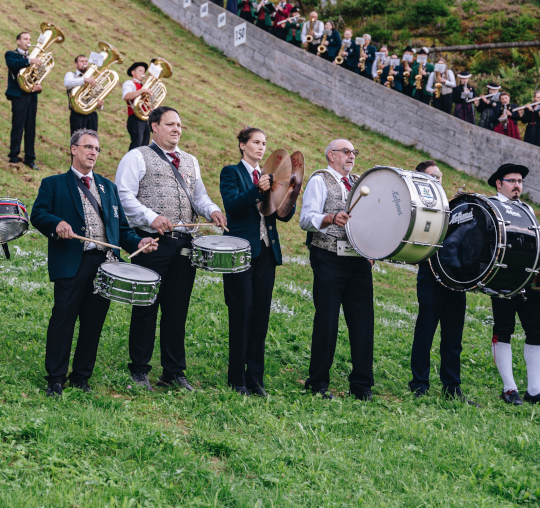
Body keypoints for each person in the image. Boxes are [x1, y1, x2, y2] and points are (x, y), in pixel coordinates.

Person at [31, 129, 157, 396]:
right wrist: (57, 224)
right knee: (63, 320)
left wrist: (138, 243)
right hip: (71, 262)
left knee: (93, 322)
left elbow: (122, 229)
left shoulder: (108, 187)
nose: (93, 153)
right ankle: (55, 377)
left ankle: (81, 376)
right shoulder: (53, 184)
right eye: (88, 147)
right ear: (73, 149)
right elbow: (39, 214)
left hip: (105, 265)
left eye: (97, 149)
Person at [115, 107, 227, 391]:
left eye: (179, 124)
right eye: (170, 124)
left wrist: (213, 211)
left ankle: (173, 372)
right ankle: (139, 370)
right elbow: (124, 195)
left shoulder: (190, 161)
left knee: (177, 310)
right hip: (153, 243)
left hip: (185, 245)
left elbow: (199, 196)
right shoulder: (136, 157)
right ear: (154, 126)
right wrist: (151, 217)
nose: (177, 129)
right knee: (146, 306)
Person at [219, 127, 296, 396]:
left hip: (266, 253)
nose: (261, 147)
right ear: (242, 145)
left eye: (264, 143)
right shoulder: (231, 172)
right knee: (241, 312)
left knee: (261, 315)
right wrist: (256, 189)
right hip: (240, 253)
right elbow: (232, 205)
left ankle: (255, 379)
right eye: (255, 142)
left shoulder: (271, 176)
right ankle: (237, 379)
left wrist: (290, 195)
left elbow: (283, 216)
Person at [299, 139, 374, 400]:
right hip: (328, 258)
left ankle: (362, 385)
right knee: (327, 322)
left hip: (358, 262)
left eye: (354, 151)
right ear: (331, 155)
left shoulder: (359, 183)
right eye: (346, 151)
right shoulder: (320, 180)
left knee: (363, 323)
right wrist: (330, 218)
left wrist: (371, 248)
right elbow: (306, 219)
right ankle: (318, 383)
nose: (351, 155)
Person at [486, 164, 540, 410]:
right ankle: (509, 388)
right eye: (512, 181)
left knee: (536, 331)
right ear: (499, 183)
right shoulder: (490, 206)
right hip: (504, 279)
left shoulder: (526, 209)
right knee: (504, 329)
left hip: (530, 280)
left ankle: (534, 390)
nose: (517, 185)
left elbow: (535, 244)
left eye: (520, 181)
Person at [407, 161, 475, 403]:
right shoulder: (417, 205)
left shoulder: (454, 206)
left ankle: (452, 387)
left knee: (453, 336)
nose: (439, 181)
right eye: (433, 177)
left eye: (440, 177)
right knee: (425, 331)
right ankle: (419, 384)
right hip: (431, 276)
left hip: (456, 278)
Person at [5, 31, 42, 170]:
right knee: (18, 126)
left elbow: (36, 76)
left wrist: (39, 85)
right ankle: (13, 156)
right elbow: (12, 65)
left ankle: (30, 158)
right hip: (19, 95)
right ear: (18, 41)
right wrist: (28, 61)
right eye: (25, 39)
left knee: (31, 127)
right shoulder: (11, 54)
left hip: (31, 95)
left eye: (30, 39)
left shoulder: (34, 58)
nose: (28, 41)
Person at [64, 54, 101, 134]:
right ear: (76, 64)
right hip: (77, 114)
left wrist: (100, 105)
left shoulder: (93, 78)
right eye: (81, 61)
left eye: (86, 61)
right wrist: (84, 80)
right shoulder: (70, 75)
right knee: (77, 141)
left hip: (92, 115)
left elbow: (97, 95)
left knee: (92, 142)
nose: (84, 63)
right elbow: (67, 83)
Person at [121, 62, 151, 151]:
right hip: (135, 118)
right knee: (136, 145)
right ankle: (129, 164)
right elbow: (126, 96)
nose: (143, 73)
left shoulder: (143, 86)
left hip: (145, 119)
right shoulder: (129, 83)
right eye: (140, 71)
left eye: (144, 71)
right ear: (133, 72)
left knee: (145, 146)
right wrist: (142, 91)